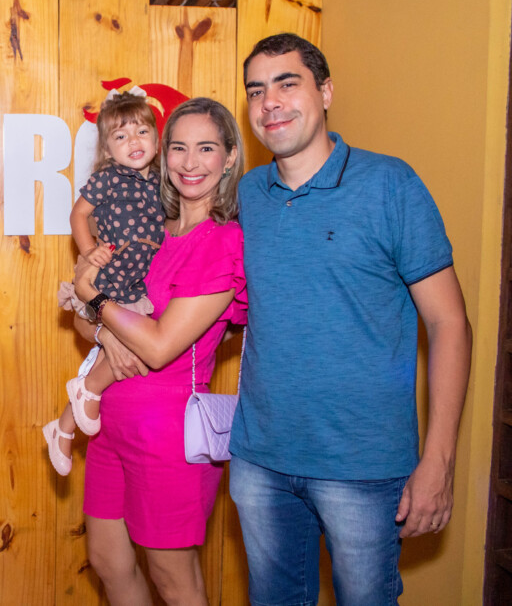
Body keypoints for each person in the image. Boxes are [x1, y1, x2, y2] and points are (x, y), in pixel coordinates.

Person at [230, 33, 473, 605]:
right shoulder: (248, 194)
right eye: (256, 91)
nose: (270, 102)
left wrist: (438, 462)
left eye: (287, 84)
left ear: (326, 92)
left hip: (363, 467)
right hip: (260, 459)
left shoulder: (390, 184)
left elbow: (450, 324)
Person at [71, 97, 247, 605]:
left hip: (169, 435)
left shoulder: (223, 241)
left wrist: (94, 299)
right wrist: (103, 329)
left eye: (207, 148)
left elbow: (159, 346)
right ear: (163, 154)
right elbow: (86, 322)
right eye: (179, 148)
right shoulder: (150, 231)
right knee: (108, 563)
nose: (190, 162)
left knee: (173, 580)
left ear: (230, 157)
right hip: (109, 425)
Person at [44, 88, 165, 476]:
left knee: (117, 355)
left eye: (142, 131)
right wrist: (89, 250)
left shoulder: (162, 184)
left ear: (157, 138)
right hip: (110, 280)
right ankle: (88, 390)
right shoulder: (108, 179)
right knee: (124, 351)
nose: (134, 141)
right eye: (121, 136)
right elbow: (78, 215)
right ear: (107, 149)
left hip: (136, 286)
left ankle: (63, 426)